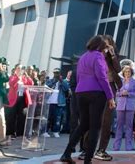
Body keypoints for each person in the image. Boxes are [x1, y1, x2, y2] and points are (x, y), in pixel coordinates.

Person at [60, 35, 115, 164]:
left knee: (83, 124)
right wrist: (110, 96)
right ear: (101, 46)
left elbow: (79, 76)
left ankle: (67, 153)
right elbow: (102, 77)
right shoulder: (98, 56)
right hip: (96, 93)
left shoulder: (83, 57)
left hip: (81, 93)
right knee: (95, 127)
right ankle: (88, 160)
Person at [94, 35, 122, 161]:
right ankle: (85, 149)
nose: (106, 46)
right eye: (104, 44)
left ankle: (101, 150)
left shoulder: (113, 55)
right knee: (93, 118)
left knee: (107, 120)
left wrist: (112, 54)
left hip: (110, 87)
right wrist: (103, 52)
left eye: (108, 44)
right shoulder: (96, 54)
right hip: (96, 86)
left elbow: (118, 69)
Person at [112, 65, 135, 151]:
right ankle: (116, 146)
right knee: (119, 126)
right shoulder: (120, 81)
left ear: (131, 73)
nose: (127, 73)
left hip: (130, 106)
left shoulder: (134, 82)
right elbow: (116, 93)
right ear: (123, 73)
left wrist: (128, 94)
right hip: (120, 106)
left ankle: (128, 146)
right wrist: (121, 93)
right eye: (126, 72)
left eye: (129, 72)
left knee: (129, 127)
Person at [6, 64, 33, 139]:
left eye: (21, 68)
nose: (19, 70)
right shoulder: (12, 77)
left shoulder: (24, 78)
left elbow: (31, 84)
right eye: (18, 68)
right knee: (12, 116)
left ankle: (20, 133)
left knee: (22, 116)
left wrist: (27, 76)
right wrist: (18, 77)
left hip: (22, 98)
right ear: (15, 69)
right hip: (14, 98)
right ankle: (10, 133)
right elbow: (11, 83)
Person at [44, 68, 70, 138]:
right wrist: (54, 81)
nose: (56, 74)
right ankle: (45, 131)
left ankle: (55, 131)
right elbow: (47, 87)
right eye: (55, 73)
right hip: (49, 102)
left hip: (59, 103)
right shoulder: (50, 80)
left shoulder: (63, 82)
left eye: (57, 73)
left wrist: (61, 81)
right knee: (48, 117)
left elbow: (66, 89)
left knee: (57, 118)